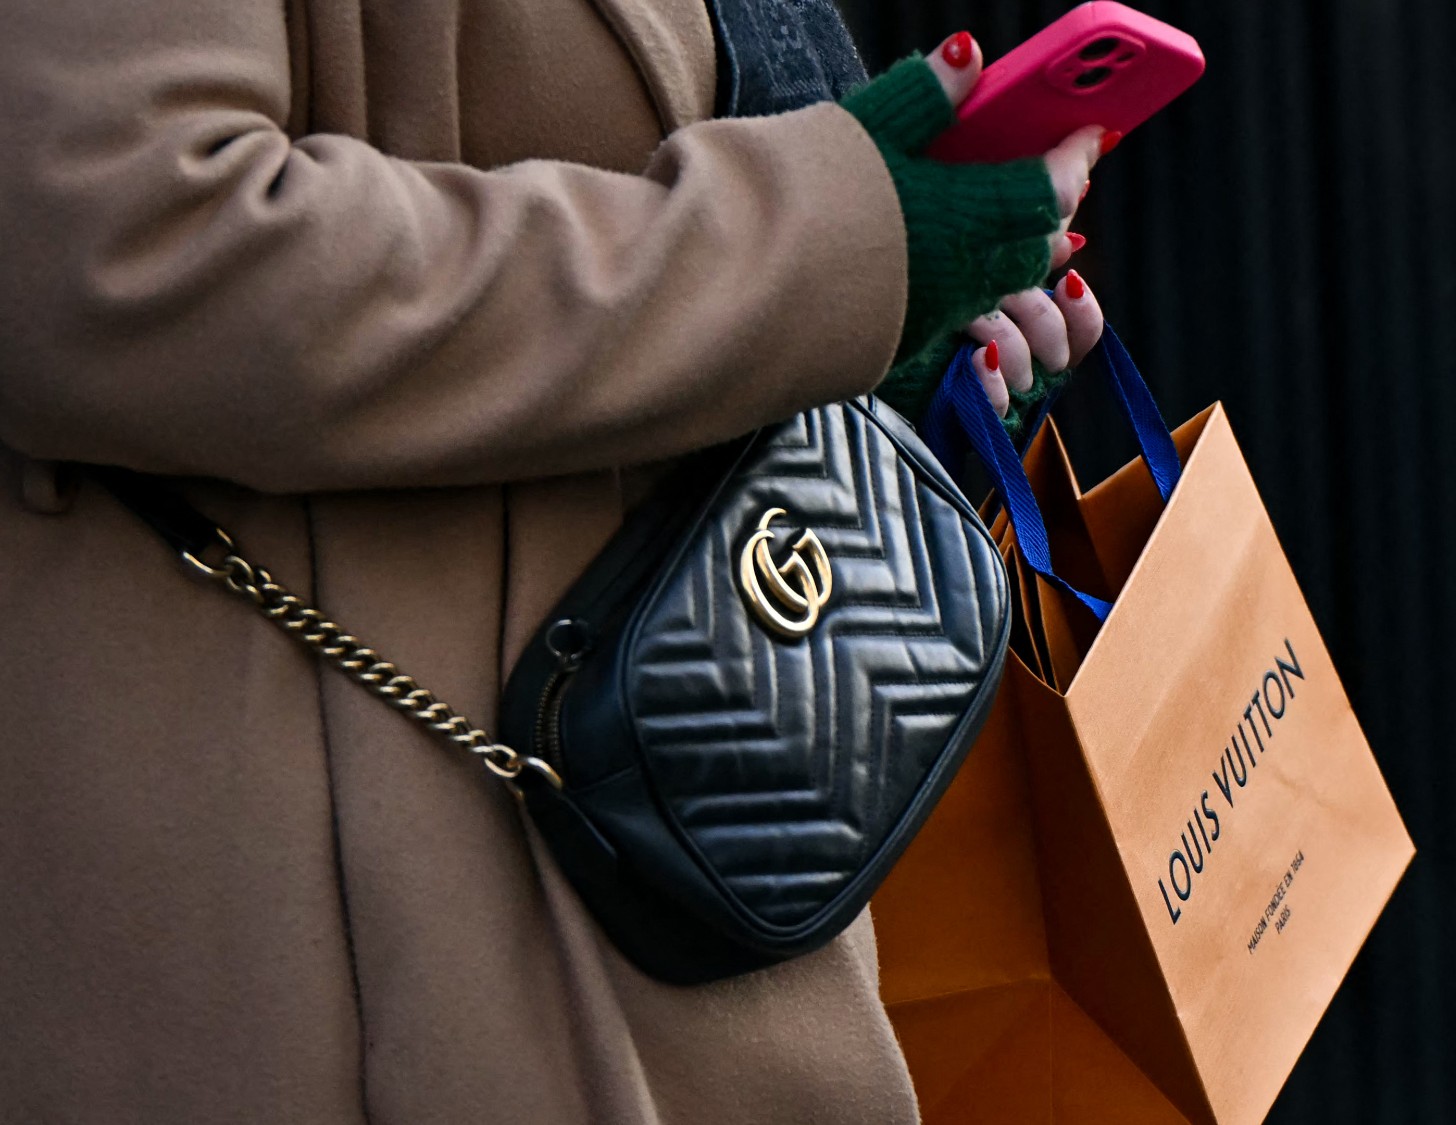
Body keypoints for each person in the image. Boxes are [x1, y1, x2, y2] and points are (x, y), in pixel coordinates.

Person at [0, 1, 1108, 1120]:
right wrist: (828, 238)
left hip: (693, 940)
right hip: (351, 956)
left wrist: (860, 369)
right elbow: (125, 241)